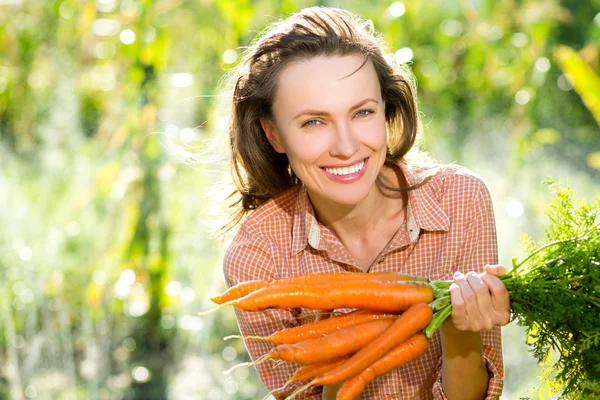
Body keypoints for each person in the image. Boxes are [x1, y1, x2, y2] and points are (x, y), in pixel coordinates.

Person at [218, 6, 510, 400]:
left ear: (385, 111)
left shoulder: (460, 202)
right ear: (274, 136)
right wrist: (341, 359)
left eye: (362, 113)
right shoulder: (259, 256)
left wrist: (461, 332)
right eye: (313, 122)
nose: (346, 146)